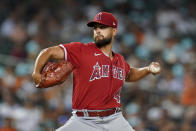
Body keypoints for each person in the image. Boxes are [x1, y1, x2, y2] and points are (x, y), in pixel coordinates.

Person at [32, 11, 161, 131]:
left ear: (114, 31)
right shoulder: (81, 50)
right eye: (95, 28)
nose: (98, 31)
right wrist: (36, 72)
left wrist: (148, 69)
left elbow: (130, 74)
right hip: (83, 120)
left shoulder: (119, 60)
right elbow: (48, 52)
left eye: (103, 27)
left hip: (115, 119)